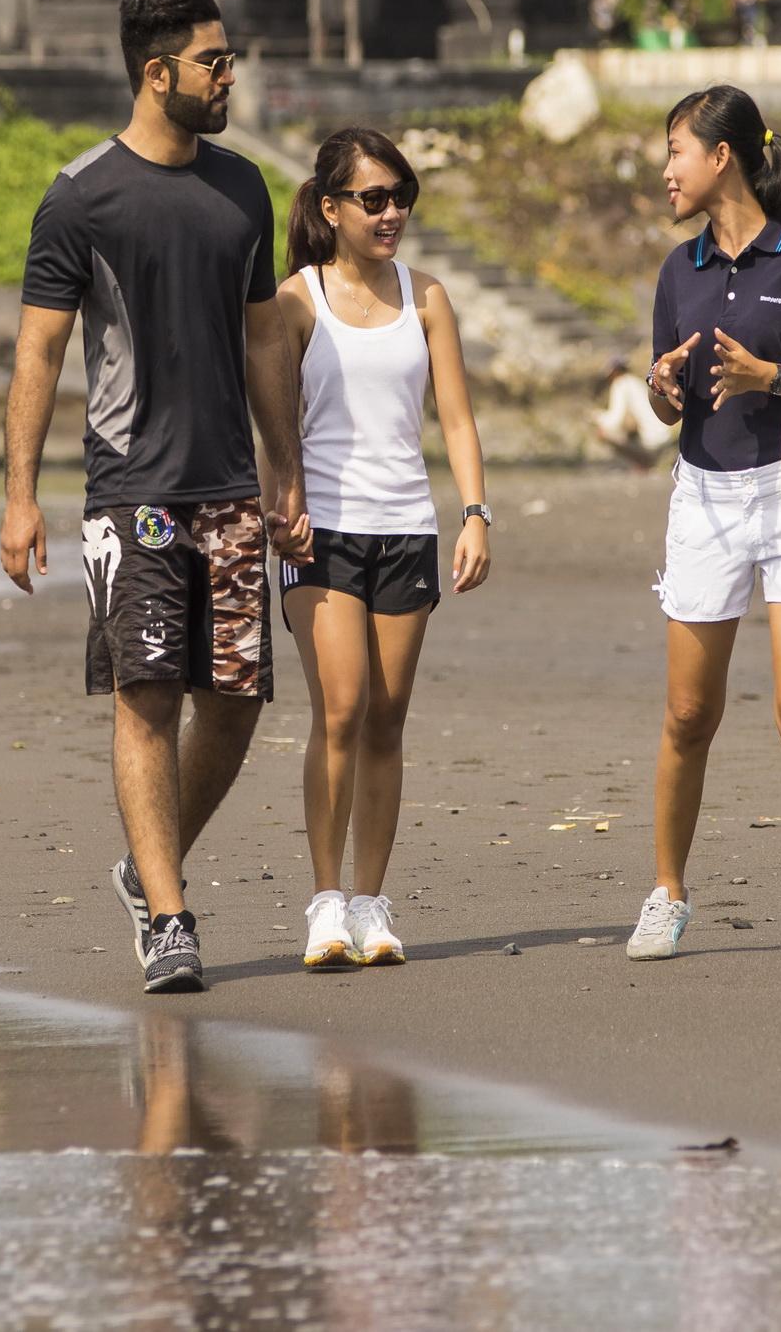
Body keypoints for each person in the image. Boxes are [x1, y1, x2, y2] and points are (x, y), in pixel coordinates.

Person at [0, 0, 310, 995]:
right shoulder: (81, 195)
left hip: (228, 488)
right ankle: (171, 919)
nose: (228, 77)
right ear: (156, 72)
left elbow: (265, 336)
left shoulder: (240, 191)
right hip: (129, 492)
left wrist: (285, 473)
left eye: (229, 58)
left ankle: (147, 866)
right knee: (145, 698)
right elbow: (39, 352)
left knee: (234, 702)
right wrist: (18, 496)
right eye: (212, 62)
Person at [629, 82, 781, 969]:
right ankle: (667, 893)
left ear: (721, 156)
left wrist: (771, 376)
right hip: (702, 496)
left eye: (675, 153)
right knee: (688, 715)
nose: (665, 172)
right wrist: (661, 393)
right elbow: (668, 404)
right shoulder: (675, 272)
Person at [275, 128, 493, 970]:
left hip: (406, 525)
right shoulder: (296, 299)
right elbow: (273, 422)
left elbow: (458, 418)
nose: (392, 212)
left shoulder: (428, 296)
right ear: (331, 210)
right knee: (341, 706)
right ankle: (325, 901)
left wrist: (475, 513)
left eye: (402, 196)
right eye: (374, 199)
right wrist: (277, 501)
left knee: (387, 718)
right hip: (319, 529)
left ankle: (371, 903)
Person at [591, 352, 678, 468]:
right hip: (664, 436)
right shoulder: (635, 381)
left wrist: (596, 417)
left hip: (652, 441)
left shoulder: (621, 384)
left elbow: (614, 420)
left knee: (605, 433)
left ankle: (644, 464)